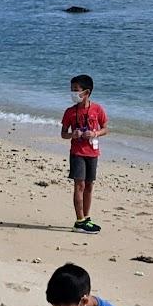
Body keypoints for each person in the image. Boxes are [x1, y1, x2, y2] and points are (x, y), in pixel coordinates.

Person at [60, 74, 108, 233]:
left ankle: (86, 218)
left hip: (92, 152)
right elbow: (63, 134)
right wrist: (72, 135)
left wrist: (95, 133)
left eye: (76, 90)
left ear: (86, 92)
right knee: (79, 185)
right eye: (71, 90)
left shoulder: (97, 109)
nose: (73, 93)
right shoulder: (69, 112)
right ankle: (79, 220)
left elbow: (105, 129)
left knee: (89, 186)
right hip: (77, 153)